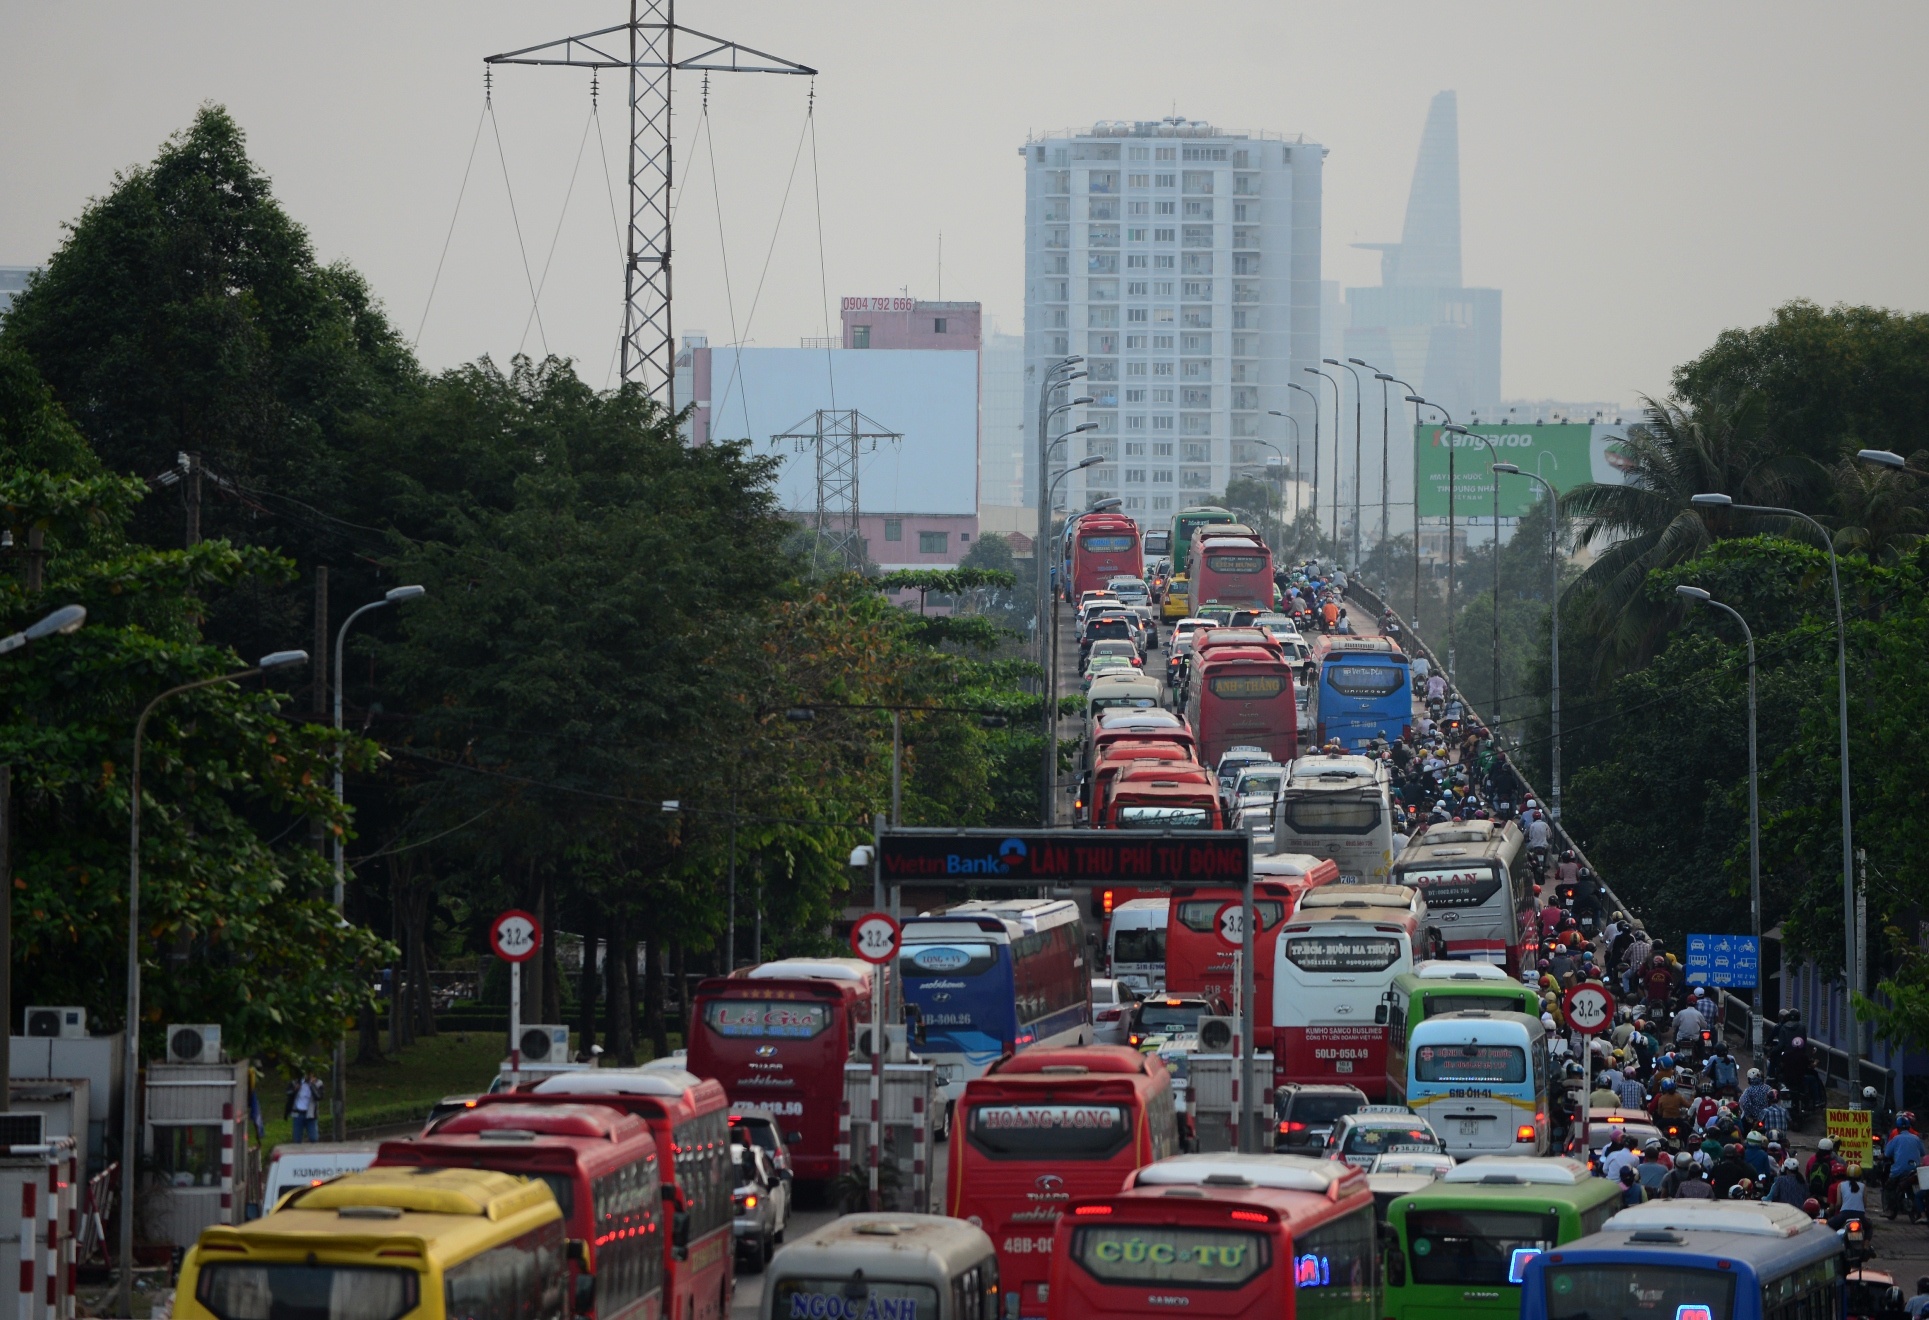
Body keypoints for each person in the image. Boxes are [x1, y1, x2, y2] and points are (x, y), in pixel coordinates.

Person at [288, 1070, 321, 1143]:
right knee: (297, 1138)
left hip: (311, 1114)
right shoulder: (296, 1082)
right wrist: (295, 1089)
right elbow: (289, 1093)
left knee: (313, 1138)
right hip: (298, 1113)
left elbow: (319, 1097)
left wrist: (312, 1085)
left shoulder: (318, 1083)